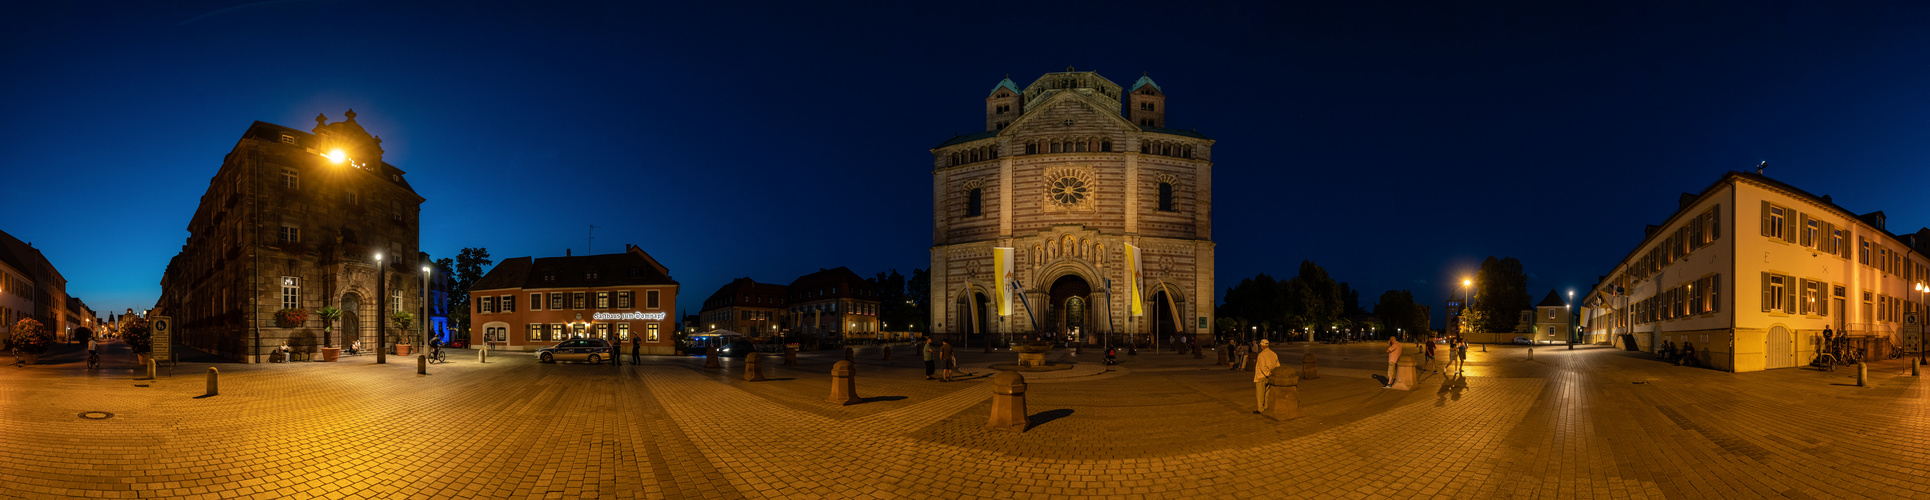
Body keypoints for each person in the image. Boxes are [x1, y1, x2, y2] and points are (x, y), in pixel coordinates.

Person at [1252, 339, 1280, 414]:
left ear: (1262, 346)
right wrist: (1272, 374)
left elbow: (1262, 367)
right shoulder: (1274, 354)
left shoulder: (1261, 355)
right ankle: (1266, 407)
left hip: (1261, 377)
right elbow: (1278, 366)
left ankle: (1260, 409)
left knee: (1260, 394)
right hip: (1270, 377)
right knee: (1267, 394)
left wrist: (1267, 374)